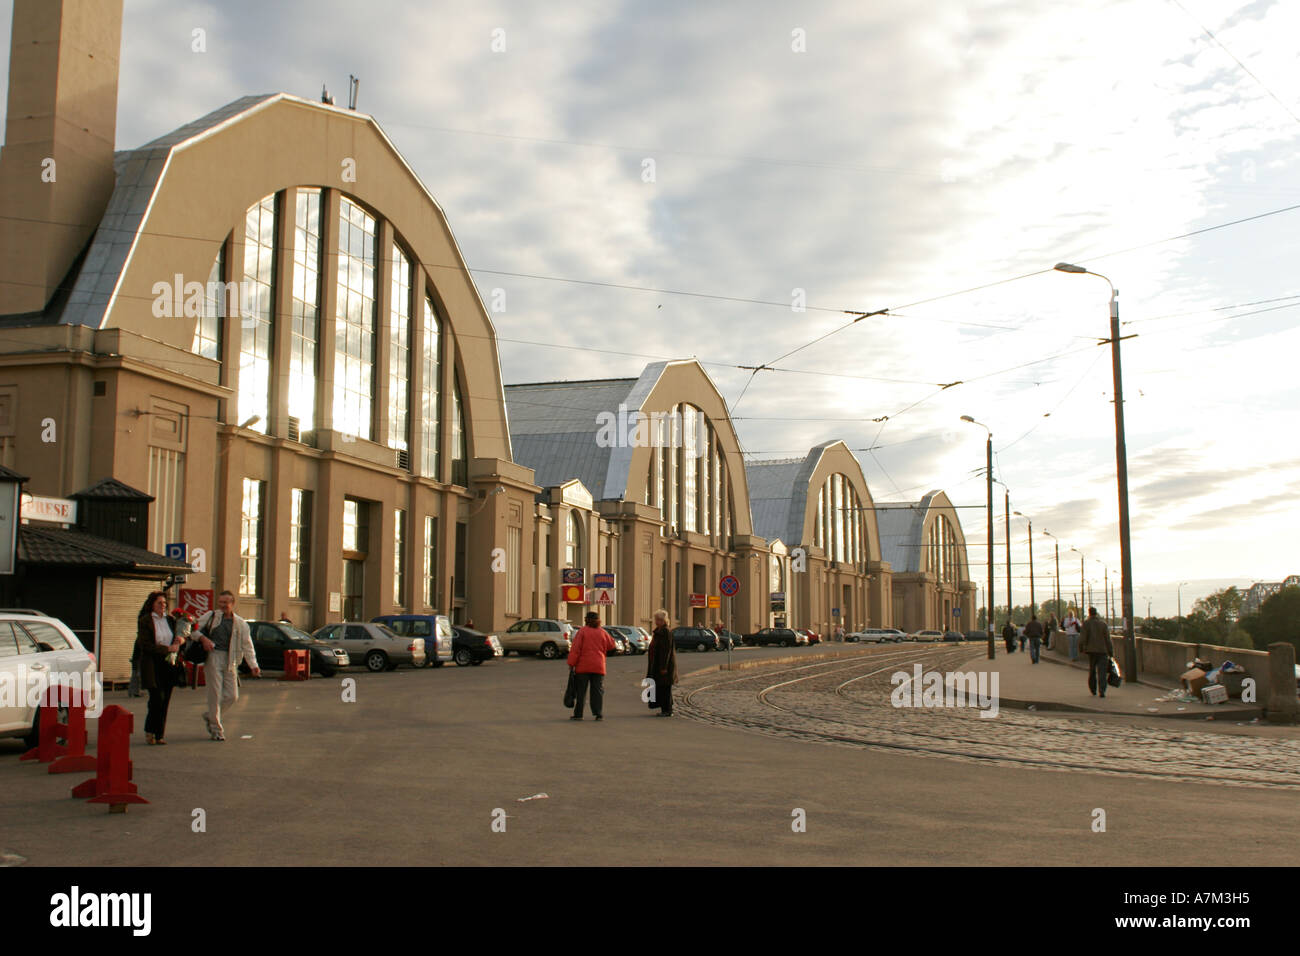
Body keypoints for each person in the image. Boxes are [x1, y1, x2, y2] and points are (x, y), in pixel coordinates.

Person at [193, 590, 260, 741]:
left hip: (231, 659)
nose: (222, 605)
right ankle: (217, 729)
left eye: (226, 603)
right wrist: (204, 639)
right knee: (215, 694)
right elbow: (193, 630)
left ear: (233, 604)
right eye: (221, 602)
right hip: (213, 656)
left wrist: (253, 665)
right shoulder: (211, 616)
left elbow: (247, 645)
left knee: (232, 696)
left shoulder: (240, 623)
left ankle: (210, 716)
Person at [133, 591, 184, 745]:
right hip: (152, 663)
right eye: (159, 603)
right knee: (156, 698)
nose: (163, 606)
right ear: (152, 605)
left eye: (164, 603)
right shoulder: (145, 620)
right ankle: (150, 730)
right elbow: (146, 645)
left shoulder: (170, 620)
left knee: (166, 699)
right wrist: (166, 649)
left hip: (168, 664)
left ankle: (159, 734)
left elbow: (177, 640)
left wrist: (181, 641)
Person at [566, 611, 616, 720]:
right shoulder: (603, 632)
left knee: (581, 692)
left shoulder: (582, 632)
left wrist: (571, 663)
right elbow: (612, 645)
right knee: (597, 691)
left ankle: (579, 714)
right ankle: (598, 714)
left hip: (583, 667)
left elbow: (576, 649)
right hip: (599, 666)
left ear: (586, 620)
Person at [646, 609, 678, 717]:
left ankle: (667, 710)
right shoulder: (659, 631)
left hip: (664, 666)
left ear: (664, 620)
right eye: (656, 619)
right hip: (658, 665)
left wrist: (664, 667)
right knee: (661, 687)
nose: (656, 622)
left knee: (665, 688)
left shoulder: (665, 632)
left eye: (658, 620)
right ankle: (665, 708)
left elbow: (666, 651)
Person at [1079, 606, 1113, 697]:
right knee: (1102, 672)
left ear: (1089, 613)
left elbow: (1082, 638)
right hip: (1103, 651)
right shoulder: (1103, 624)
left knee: (1092, 671)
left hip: (1091, 651)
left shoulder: (1086, 624)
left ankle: (1093, 689)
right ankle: (1102, 690)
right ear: (1096, 613)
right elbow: (1108, 639)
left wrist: (1081, 648)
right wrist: (1111, 651)